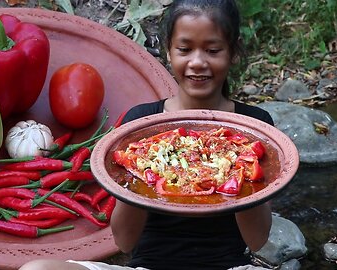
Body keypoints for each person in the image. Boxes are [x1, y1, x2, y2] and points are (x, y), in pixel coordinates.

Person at [19, 0, 273, 269]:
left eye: (212, 50)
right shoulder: (142, 125)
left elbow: (257, 240)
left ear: (233, 52)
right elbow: (125, 242)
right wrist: (143, 169)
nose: (197, 62)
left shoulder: (254, 127)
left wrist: (239, 167)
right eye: (185, 49)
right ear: (168, 51)